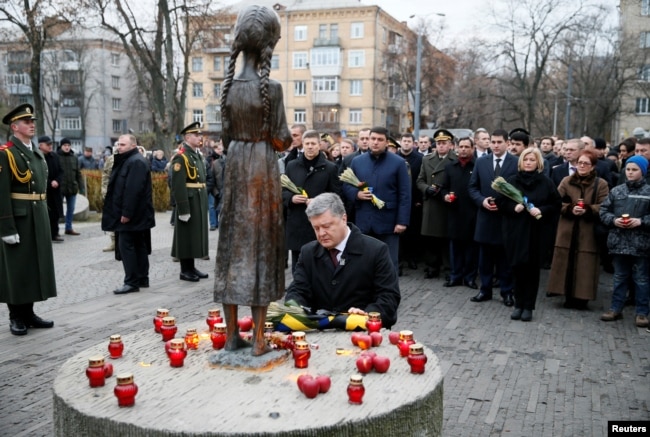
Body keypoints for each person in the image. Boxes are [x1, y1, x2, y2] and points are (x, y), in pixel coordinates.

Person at [214, 4, 292, 356]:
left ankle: (232, 336)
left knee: (232, 246)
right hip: (261, 168)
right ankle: (259, 339)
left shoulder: (228, 88)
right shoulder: (271, 89)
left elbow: (227, 137)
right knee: (260, 246)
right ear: (267, 47)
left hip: (235, 169)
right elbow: (282, 138)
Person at [285, 193, 401, 327]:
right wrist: (296, 308)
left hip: (363, 334)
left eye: (327, 226)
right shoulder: (308, 252)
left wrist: (367, 315)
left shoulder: (376, 251)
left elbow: (389, 298)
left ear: (344, 219)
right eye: (316, 228)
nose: (321, 233)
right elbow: (298, 290)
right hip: (320, 333)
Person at [0, 103, 56, 335]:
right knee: (17, 267)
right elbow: (2, 193)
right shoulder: (6, 154)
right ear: (15, 127)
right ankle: (16, 316)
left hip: (38, 214)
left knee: (34, 265)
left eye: (33, 121)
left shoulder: (36, 153)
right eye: (26, 122)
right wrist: (6, 226)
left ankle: (29, 313)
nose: (32, 125)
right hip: (19, 218)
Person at [496, 147, 560, 321]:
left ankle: (528, 306)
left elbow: (556, 205)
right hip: (516, 231)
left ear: (538, 162)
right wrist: (512, 207)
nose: (529, 162)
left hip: (537, 232)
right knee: (517, 268)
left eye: (532, 160)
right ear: (521, 162)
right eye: (526, 160)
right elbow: (500, 202)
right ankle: (518, 304)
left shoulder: (546, 182)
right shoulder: (512, 181)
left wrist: (541, 209)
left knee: (532, 270)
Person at [342, 126, 411, 272]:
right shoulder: (357, 161)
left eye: (380, 140)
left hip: (389, 222)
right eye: (372, 139)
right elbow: (346, 186)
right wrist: (356, 194)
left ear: (387, 142)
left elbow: (405, 194)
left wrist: (402, 221)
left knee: (389, 264)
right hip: (364, 221)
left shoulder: (398, 163)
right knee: (364, 263)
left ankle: (389, 294)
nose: (375, 142)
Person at [547, 150, 609, 309]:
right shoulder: (566, 181)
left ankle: (582, 298)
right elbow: (554, 202)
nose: (581, 165)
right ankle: (565, 293)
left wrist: (588, 209)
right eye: (579, 162)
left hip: (587, 231)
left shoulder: (600, 184)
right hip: (567, 229)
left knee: (585, 264)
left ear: (593, 166)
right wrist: (570, 208)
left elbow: (605, 206)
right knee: (565, 260)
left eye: (586, 163)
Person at [467, 128, 517, 306]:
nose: (495, 145)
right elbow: (472, 187)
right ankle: (485, 290)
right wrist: (482, 201)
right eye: (492, 142)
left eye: (499, 142)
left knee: (505, 259)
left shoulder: (515, 162)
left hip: (506, 218)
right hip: (486, 218)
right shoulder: (481, 162)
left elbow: (519, 190)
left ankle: (507, 292)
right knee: (485, 258)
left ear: (507, 143)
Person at [599, 155, 650, 328]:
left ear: (642, 171)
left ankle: (642, 312)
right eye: (628, 169)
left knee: (641, 279)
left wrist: (641, 221)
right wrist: (613, 220)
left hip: (641, 243)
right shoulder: (617, 191)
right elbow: (604, 210)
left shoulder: (648, 191)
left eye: (634, 170)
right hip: (619, 242)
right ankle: (615, 308)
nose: (630, 173)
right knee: (619, 277)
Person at [101, 134, 155, 294]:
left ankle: (132, 281)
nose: (119, 147)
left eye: (123, 145)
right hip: (135, 215)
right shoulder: (129, 160)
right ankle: (141, 278)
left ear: (133, 146)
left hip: (132, 216)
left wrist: (126, 213)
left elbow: (133, 191)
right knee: (138, 245)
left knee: (128, 246)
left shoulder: (136, 162)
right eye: (118, 144)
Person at [283, 129, 341, 273]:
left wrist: (320, 201)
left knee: (320, 263)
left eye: (313, 143)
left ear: (319, 145)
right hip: (297, 221)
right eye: (307, 143)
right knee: (298, 265)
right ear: (302, 144)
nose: (310, 146)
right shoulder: (292, 165)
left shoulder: (330, 167)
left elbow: (337, 195)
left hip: (321, 222)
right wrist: (291, 198)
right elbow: (283, 191)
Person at [170, 122, 210, 282]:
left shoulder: (196, 154)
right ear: (187, 137)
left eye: (199, 134)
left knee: (194, 235)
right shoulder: (182, 156)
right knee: (186, 236)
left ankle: (191, 267)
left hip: (198, 198)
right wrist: (183, 208)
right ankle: (185, 270)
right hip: (189, 199)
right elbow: (178, 185)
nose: (199, 137)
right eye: (196, 135)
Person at [416, 129, 456, 279]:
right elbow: (420, 180)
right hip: (431, 203)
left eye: (444, 143)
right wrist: (427, 189)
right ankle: (432, 267)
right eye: (438, 143)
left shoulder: (455, 159)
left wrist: (448, 193)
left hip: (447, 203)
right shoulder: (427, 159)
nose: (441, 146)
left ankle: (448, 268)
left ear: (450, 145)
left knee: (446, 238)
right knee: (430, 238)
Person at [440, 136, 478, 289]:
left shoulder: (477, 166)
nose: (463, 149)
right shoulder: (450, 167)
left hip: (472, 213)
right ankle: (455, 276)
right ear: (456, 148)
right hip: (454, 212)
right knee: (455, 248)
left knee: (471, 249)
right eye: (460, 146)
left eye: (466, 147)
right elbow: (443, 187)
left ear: (472, 148)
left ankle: (469, 278)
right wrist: (445, 196)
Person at [397, 132, 423, 271]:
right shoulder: (395, 158)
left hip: (414, 201)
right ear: (400, 142)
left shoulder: (420, 159)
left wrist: (419, 199)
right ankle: (399, 260)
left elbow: (421, 179)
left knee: (413, 232)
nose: (406, 143)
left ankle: (412, 259)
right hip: (399, 201)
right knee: (399, 234)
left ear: (413, 143)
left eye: (409, 141)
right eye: (404, 140)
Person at [38, 135, 64, 242]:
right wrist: (49, 183)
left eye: (51, 144)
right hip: (44, 190)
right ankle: (45, 235)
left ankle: (55, 233)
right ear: (40, 145)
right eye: (47, 144)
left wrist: (57, 181)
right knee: (45, 214)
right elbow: (38, 174)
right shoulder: (37, 156)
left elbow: (61, 171)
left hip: (55, 190)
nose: (50, 146)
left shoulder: (55, 156)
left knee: (55, 213)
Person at [57, 137, 83, 236]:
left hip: (72, 187)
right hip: (60, 187)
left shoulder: (74, 157)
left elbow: (78, 173)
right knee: (58, 209)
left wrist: (81, 186)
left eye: (68, 145)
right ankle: (55, 229)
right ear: (61, 146)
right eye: (65, 145)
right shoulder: (56, 156)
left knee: (71, 209)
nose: (67, 147)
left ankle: (69, 227)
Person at [101, 143, 118, 252]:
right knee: (112, 218)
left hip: (124, 193)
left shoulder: (130, 159)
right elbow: (105, 175)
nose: (119, 147)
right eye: (117, 145)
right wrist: (104, 190)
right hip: (112, 193)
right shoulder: (110, 159)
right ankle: (113, 241)